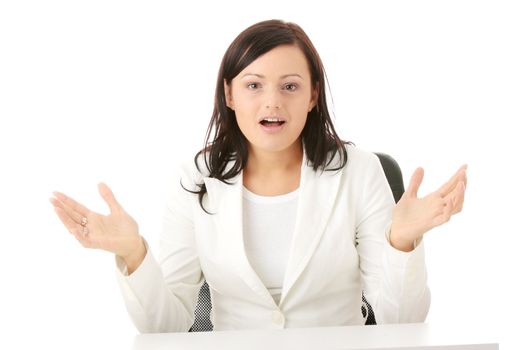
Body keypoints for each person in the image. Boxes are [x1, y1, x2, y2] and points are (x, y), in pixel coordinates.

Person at [49, 19, 467, 333]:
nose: (272, 102)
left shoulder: (358, 171)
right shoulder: (195, 178)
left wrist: (402, 242)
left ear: (313, 95)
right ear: (229, 94)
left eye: (289, 86)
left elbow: (403, 321)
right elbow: (167, 328)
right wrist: (134, 254)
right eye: (253, 86)